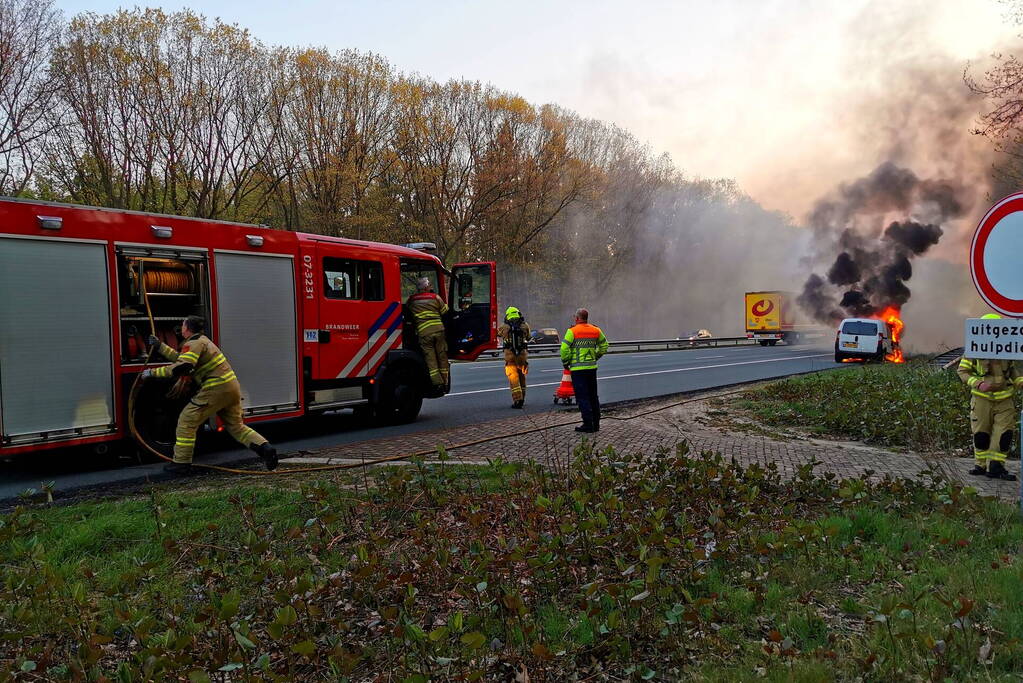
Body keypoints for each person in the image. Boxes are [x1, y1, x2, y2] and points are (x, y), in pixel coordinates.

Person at [142, 315, 278, 473]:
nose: (181, 327)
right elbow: (181, 359)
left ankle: (181, 463)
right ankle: (266, 449)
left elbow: (183, 367)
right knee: (236, 427)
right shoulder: (202, 341)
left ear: (187, 328)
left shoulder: (193, 343)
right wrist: (160, 346)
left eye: (183, 325)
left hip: (215, 388)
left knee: (187, 420)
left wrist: (152, 373)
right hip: (230, 387)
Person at [957, 313, 1021, 481]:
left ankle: (996, 466)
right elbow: (962, 371)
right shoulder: (973, 349)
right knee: (981, 435)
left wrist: (1019, 380)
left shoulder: (1007, 348)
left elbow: (1012, 370)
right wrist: (977, 383)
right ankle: (980, 465)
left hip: (1005, 400)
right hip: (981, 400)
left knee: (1004, 434)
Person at [560, 308, 608, 433]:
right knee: (593, 396)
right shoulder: (596, 330)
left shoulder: (572, 331)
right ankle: (596, 424)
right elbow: (604, 345)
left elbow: (564, 349)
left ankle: (588, 424)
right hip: (591, 369)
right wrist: (595, 356)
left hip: (577, 370)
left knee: (582, 397)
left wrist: (566, 362)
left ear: (577, 318)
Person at [406, 277, 450, 391]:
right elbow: (445, 312)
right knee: (442, 356)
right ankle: (445, 382)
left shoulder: (412, 300)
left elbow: (407, 313)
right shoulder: (435, 297)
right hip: (439, 331)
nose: (431, 287)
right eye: (429, 285)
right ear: (426, 287)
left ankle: (437, 383)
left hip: (424, 333)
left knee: (430, 359)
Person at [497, 306, 531, 408]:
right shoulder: (524, 325)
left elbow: (498, 334)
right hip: (522, 357)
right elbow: (529, 338)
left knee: (513, 379)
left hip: (510, 357)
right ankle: (523, 398)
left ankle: (518, 400)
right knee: (522, 378)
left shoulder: (504, 326)